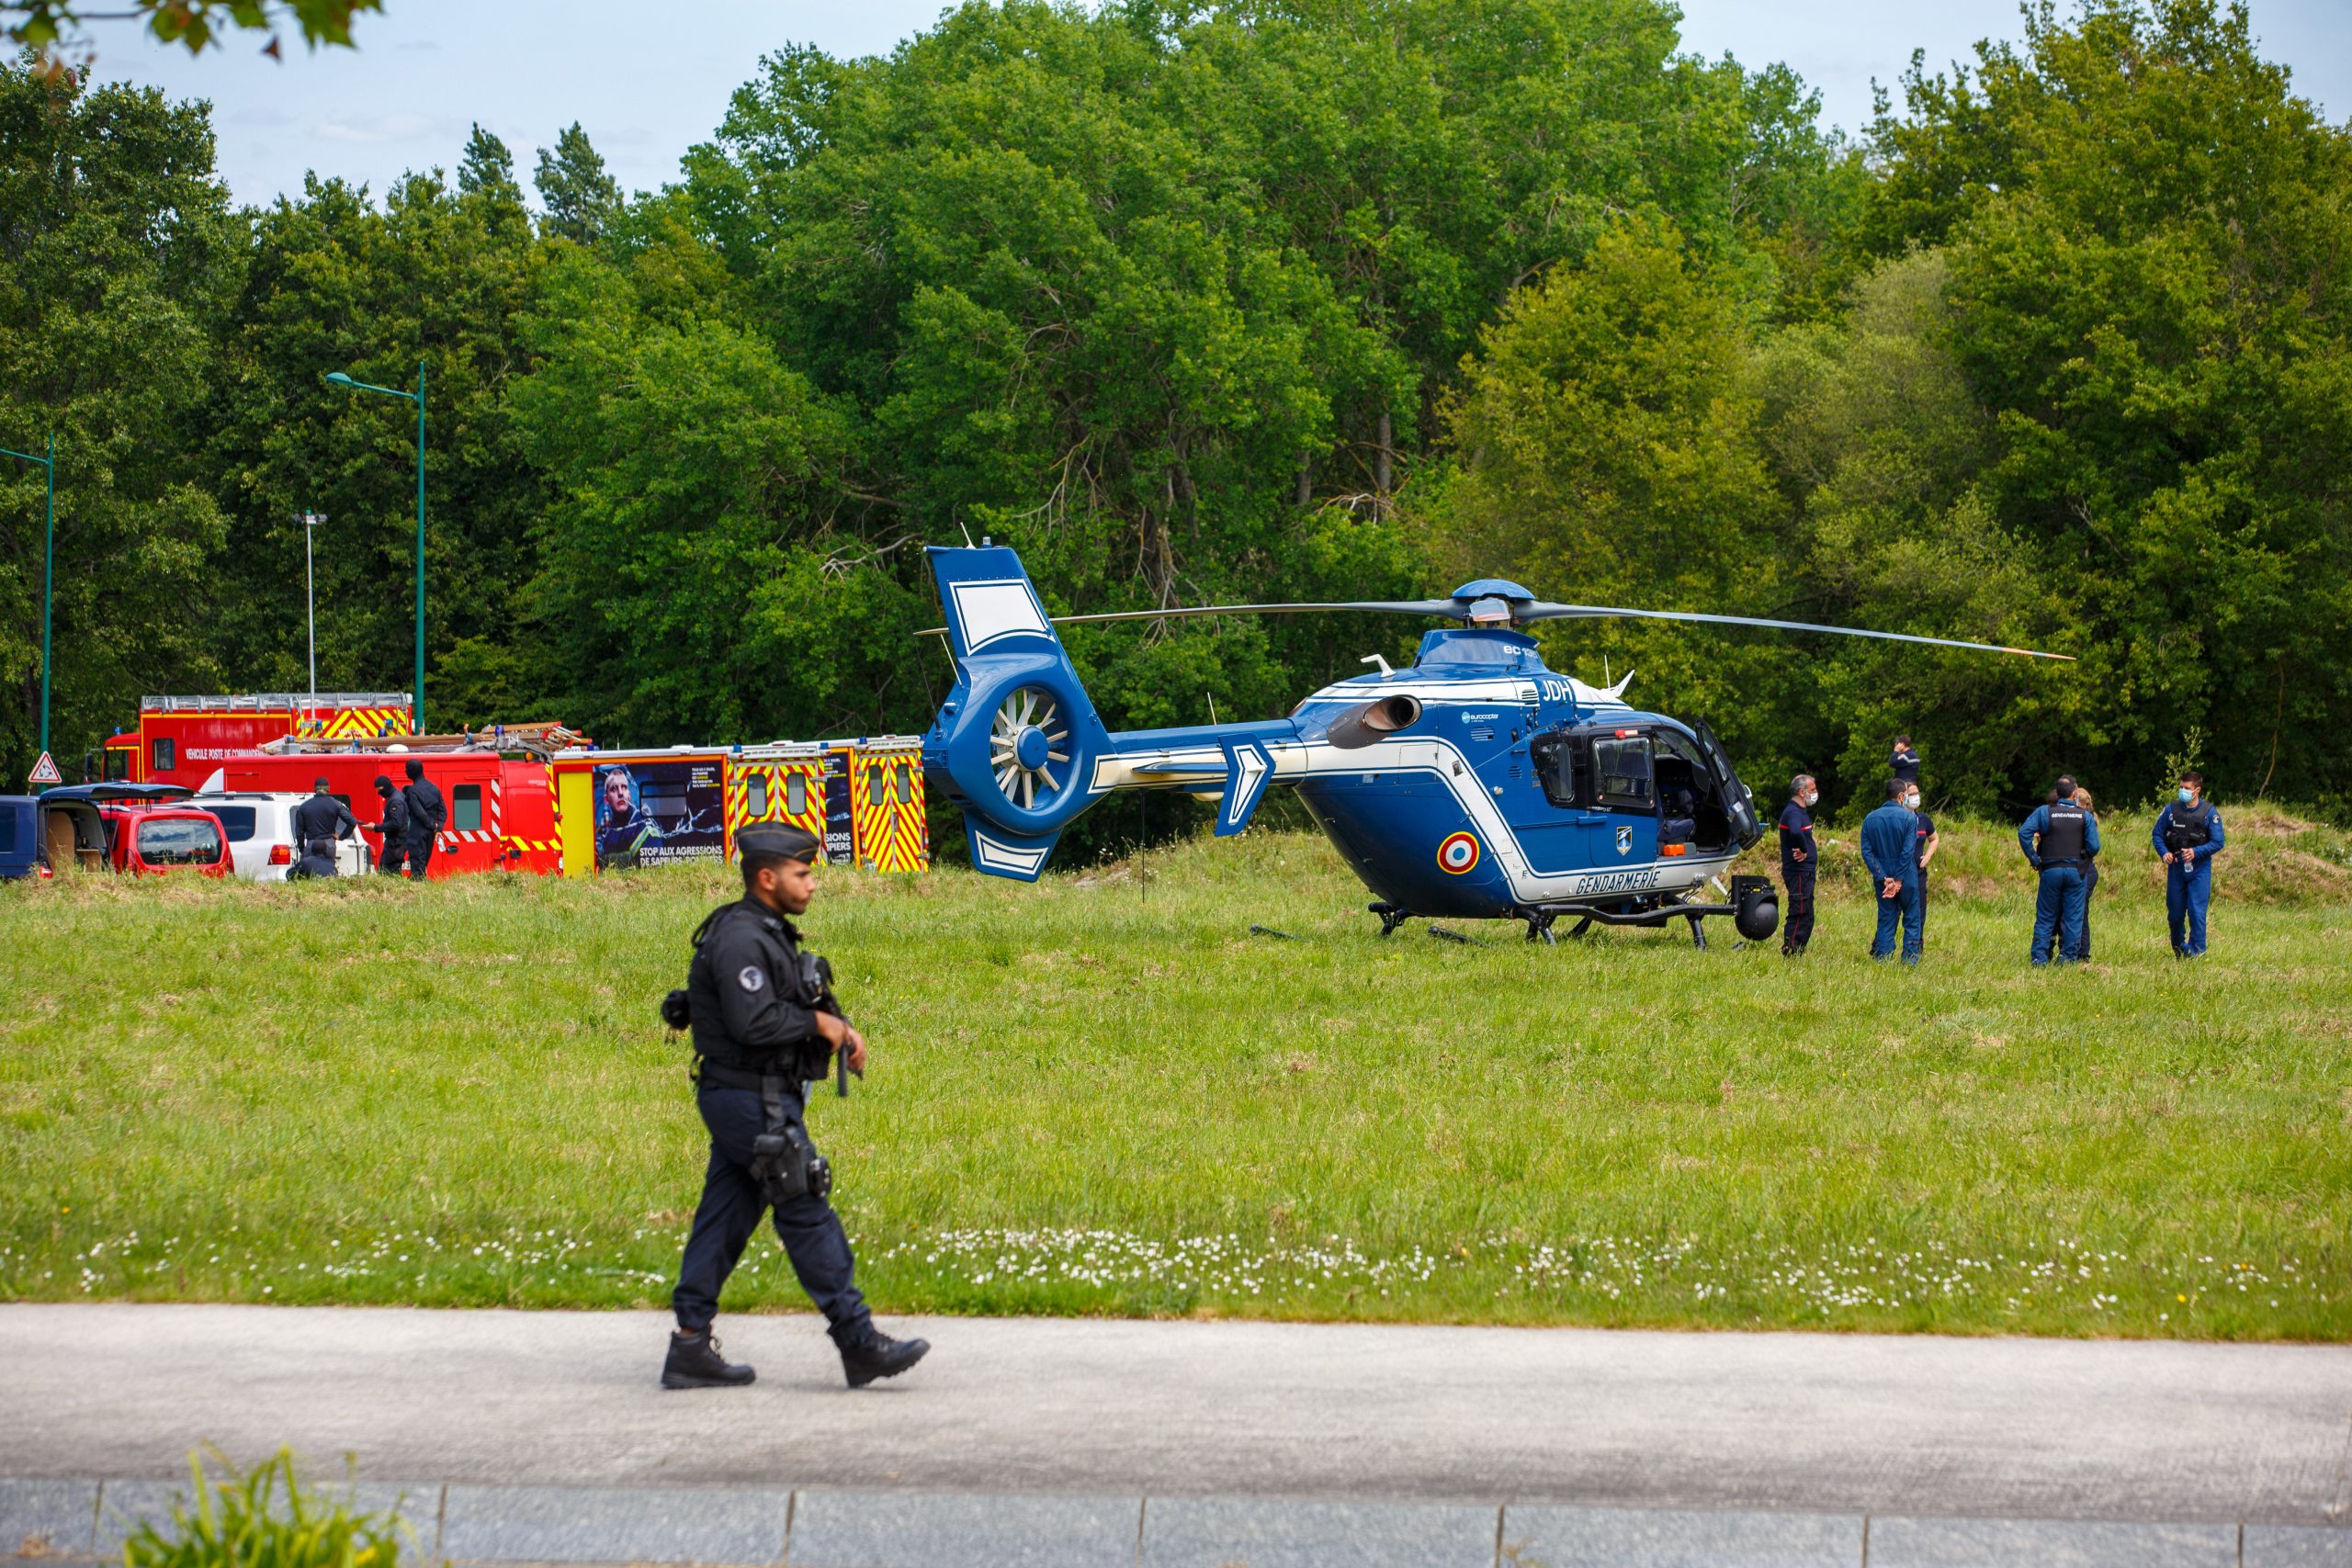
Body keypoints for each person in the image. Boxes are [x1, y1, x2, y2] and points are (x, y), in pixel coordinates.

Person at [663, 822, 929, 1392]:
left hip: (753, 1096)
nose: (811, 884)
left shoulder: (768, 932)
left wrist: (839, 1029)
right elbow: (754, 1022)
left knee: (725, 1216)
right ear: (767, 877)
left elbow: (787, 1002)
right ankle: (858, 1342)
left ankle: (688, 1345)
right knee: (804, 1201)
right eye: (801, 874)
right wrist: (820, 1023)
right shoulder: (739, 938)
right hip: (747, 1097)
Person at [2018, 774, 2100, 965]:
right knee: (2073, 917)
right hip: (2075, 871)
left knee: (2046, 915)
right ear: (2075, 793)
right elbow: (2095, 846)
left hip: (2050, 869)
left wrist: (2035, 859)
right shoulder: (2084, 816)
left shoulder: (2044, 812)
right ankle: (2067, 958)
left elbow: (2024, 833)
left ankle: (2039, 958)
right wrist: (2082, 858)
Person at [2153, 770, 2225, 957]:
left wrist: (2196, 852)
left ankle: (2197, 952)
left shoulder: (2209, 813)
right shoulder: (2171, 810)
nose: (2182, 791)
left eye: (2186, 788)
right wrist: (2164, 853)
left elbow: (2218, 842)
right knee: (2175, 913)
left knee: (2196, 911)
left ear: (2197, 790)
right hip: (2176, 868)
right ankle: (2179, 948)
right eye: (2181, 787)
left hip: (2200, 869)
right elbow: (2157, 834)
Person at [1859, 776, 1923, 964]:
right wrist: (1899, 880)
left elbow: (1867, 851)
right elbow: (1907, 851)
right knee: (1911, 915)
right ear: (1901, 795)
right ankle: (1910, 959)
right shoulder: (1909, 818)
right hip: (1906, 874)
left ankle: (1882, 958)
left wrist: (1882, 877)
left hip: (1883, 876)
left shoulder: (1870, 818)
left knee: (1886, 916)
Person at [1777, 773, 1818, 956]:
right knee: (1799, 910)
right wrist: (1803, 849)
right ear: (1802, 792)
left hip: (1806, 871)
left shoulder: (1800, 812)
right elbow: (1794, 831)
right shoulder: (1793, 812)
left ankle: (1799, 949)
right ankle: (1791, 949)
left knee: (1808, 913)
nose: (1816, 793)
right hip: (1798, 871)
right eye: (1813, 789)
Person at [400, 759, 445, 880]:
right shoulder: (434, 789)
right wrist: (438, 828)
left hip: (417, 832)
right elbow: (443, 811)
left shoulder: (412, 791)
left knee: (417, 869)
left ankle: (417, 893)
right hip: (429, 834)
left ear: (412, 772)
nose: (405, 772)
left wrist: (433, 827)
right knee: (423, 865)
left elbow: (420, 813)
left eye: (407, 769)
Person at [290, 778, 358, 858]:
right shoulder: (336, 804)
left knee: (310, 869)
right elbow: (352, 821)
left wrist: (302, 848)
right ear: (328, 789)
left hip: (311, 844)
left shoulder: (304, 807)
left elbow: (299, 832)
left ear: (315, 789)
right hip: (329, 845)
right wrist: (341, 837)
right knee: (328, 869)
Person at [1907, 784, 1937, 952]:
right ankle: (1882, 946)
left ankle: (1916, 948)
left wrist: (1928, 856)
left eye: (1917, 793)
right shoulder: (1900, 818)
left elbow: (1934, 839)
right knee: (1895, 913)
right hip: (1901, 873)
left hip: (1919, 873)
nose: (1916, 797)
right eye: (1912, 794)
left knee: (1919, 913)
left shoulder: (1924, 819)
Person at [2072, 784, 2099, 959]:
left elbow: (2092, 847)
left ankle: (2082, 953)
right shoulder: (2086, 818)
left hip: (2086, 870)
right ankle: (2079, 951)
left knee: (2079, 912)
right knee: (2080, 911)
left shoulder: (2085, 820)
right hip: (2085, 869)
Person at [365, 774, 408, 878]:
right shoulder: (397, 796)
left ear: (386, 786)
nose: (379, 793)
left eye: (380, 790)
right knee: (389, 870)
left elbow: (396, 823)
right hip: (396, 841)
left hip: (395, 842)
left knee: (387, 871)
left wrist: (376, 827)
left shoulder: (395, 801)